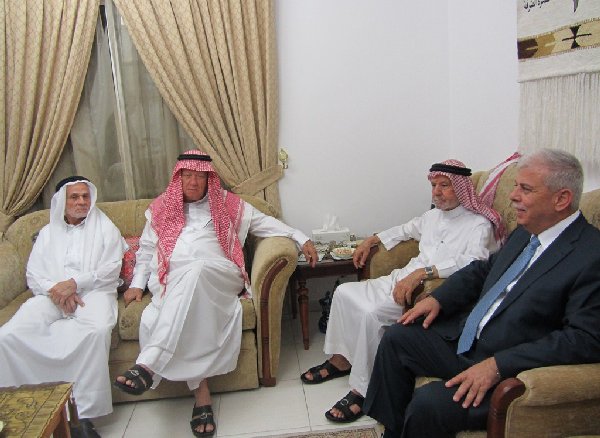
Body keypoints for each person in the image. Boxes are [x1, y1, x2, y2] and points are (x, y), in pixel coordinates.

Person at [364, 149, 600, 438]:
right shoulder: (527, 232)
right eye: (516, 186)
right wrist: (439, 298)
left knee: (428, 404)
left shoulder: (591, 255)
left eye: (525, 189)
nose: (513, 196)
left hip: (510, 369)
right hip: (470, 343)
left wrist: (500, 365)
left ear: (561, 199)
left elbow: (584, 339)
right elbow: (484, 270)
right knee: (397, 338)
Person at [113, 150, 318, 437]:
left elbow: (265, 223)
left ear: (209, 178)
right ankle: (202, 397)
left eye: (199, 176)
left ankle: (148, 363)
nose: (193, 182)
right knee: (191, 296)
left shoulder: (227, 204)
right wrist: (137, 284)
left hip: (220, 274)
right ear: (178, 177)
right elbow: (147, 251)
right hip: (171, 279)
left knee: (197, 269)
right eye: (187, 175)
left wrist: (301, 237)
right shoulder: (161, 208)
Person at [301, 159, 505, 423]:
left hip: (423, 288)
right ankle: (341, 361)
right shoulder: (432, 216)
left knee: (371, 313)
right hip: (400, 278)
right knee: (344, 293)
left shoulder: (478, 225)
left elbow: (474, 264)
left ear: (461, 187)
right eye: (434, 186)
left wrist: (424, 272)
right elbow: (404, 230)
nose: (437, 192)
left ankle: (363, 390)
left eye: (444, 185)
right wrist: (371, 240)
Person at [0, 176, 127, 438]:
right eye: (74, 197)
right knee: (8, 335)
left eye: (85, 196)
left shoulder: (105, 227)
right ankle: (29, 408)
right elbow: (34, 274)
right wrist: (57, 290)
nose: (82, 202)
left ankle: (84, 416)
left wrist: (74, 284)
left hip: (93, 293)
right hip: (51, 296)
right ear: (61, 202)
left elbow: (111, 269)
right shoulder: (48, 233)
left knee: (96, 331)